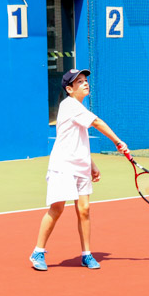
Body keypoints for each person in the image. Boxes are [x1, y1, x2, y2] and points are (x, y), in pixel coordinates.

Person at [30, 68, 129, 271]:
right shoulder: (69, 105)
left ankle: (86, 254)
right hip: (63, 166)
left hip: (81, 166)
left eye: (85, 80)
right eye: (79, 82)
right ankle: (38, 251)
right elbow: (97, 123)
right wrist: (118, 142)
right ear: (69, 89)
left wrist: (91, 164)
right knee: (57, 209)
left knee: (84, 210)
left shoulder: (79, 108)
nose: (85, 83)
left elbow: (77, 140)